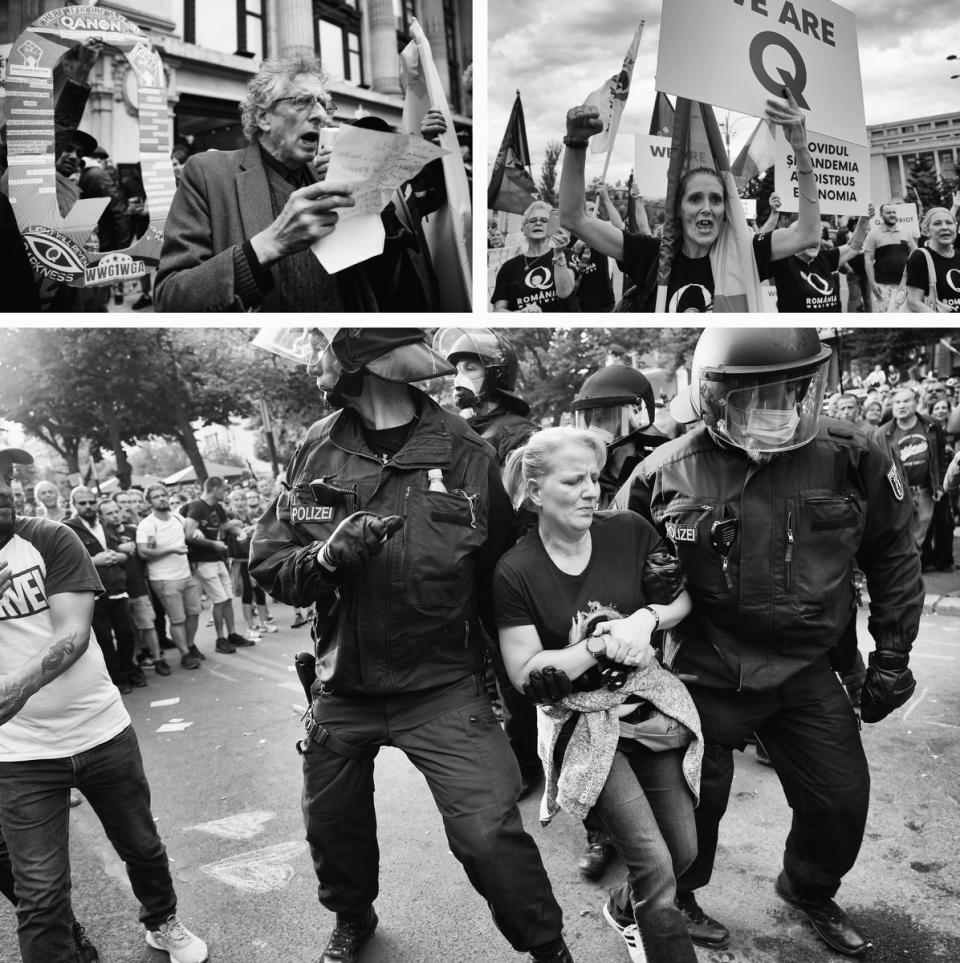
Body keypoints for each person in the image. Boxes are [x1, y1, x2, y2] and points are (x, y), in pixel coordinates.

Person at [249, 328, 577, 963]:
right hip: (343, 686)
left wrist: (541, 674)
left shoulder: (467, 454)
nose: (315, 360)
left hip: (444, 688)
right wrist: (325, 557)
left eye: (325, 346)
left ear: (365, 362)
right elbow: (270, 565)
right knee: (332, 824)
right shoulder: (316, 448)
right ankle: (352, 918)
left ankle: (548, 947)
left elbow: (504, 584)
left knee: (489, 834)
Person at [614, 328, 923, 957]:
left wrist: (892, 656)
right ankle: (669, 897)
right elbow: (609, 564)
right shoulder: (662, 470)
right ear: (713, 396)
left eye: (790, 390)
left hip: (807, 666)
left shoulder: (855, 452)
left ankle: (808, 889)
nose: (777, 407)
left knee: (839, 799)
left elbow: (893, 555)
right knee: (694, 808)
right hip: (704, 667)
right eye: (757, 395)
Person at [494, 426, 701, 963]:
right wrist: (607, 641)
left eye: (593, 477)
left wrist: (646, 618)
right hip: (583, 724)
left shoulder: (628, 530)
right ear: (536, 491)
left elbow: (680, 602)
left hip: (645, 704)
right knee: (655, 864)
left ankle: (624, 909)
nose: (591, 490)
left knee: (683, 849)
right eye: (573, 480)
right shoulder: (515, 570)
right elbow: (526, 670)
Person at [0, 446, 208, 963]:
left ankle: (162, 922)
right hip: (18, 756)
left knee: (141, 846)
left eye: (4, 475)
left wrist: (13, 692)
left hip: (101, 732)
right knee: (41, 895)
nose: (4, 487)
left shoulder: (50, 537)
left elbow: (71, 635)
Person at [155, 56, 434, 312]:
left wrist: (368, 202)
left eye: (324, 104)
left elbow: (383, 282)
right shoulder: (209, 173)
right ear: (264, 117)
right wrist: (269, 244)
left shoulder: (331, 177)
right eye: (302, 101)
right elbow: (171, 297)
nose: (321, 115)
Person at [559, 90, 821, 312]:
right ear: (678, 208)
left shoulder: (747, 252)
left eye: (716, 200)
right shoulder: (652, 256)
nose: (707, 208)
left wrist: (800, 148)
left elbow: (808, 234)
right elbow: (574, 218)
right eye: (695, 199)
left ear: (725, 209)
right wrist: (576, 142)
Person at [436, 327, 541, 798]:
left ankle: (527, 763)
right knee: (483, 676)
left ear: (496, 374)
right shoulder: (456, 432)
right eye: (457, 367)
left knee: (517, 676)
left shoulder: (517, 434)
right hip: (467, 572)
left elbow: (529, 511)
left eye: (471, 366)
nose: (460, 376)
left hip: (508, 573)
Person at [64, 486, 146, 694]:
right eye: (83, 503)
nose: (88, 506)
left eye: (91, 502)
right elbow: (65, 563)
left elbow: (123, 553)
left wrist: (117, 555)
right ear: (74, 505)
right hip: (92, 594)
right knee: (105, 640)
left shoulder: (106, 524)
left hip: (118, 588)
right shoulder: (67, 528)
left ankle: (130, 669)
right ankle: (118, 676)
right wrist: (95, 561)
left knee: (127, 634)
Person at [135, 484, 205, 669]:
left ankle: (190, 645)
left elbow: (188, 533)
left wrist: (196, 533)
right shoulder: (148, 525)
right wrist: (172, 549)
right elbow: (144, 552)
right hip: (164, 579)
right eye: (157, 496)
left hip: (186, 575)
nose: (162, 498)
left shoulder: (177, 518)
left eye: (163, 495)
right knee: (177, 619)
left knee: (194, 613)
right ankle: (185, 654)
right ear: (149, 502)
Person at [183, 477, 255, 653]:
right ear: (214, 488)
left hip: (219, 559)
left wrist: (238, 529)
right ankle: (220, 639)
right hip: (203, 561)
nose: (225, 493)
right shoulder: (196, 506)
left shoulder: (216, 507)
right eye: (223, 489)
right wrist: (212, 544)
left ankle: (232, 635)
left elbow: (223, 525)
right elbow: (189, 534)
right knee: (220, 600)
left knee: (228, 598)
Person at [760, 207, 873, 312]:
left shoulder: (825, 257)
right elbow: (759, 249)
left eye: (817, 235)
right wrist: (774, 215)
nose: (814, 240)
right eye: (807, 235)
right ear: (793, 239)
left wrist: (864, 219)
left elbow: (853, 247)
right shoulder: (783, 260)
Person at [878, 387, 945, 551]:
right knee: (899, 538)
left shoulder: (931, 424)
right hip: (898, 494)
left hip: (925, 492)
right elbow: (878, 469)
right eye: (897, 402)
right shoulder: (881, 433)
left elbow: (941, 457)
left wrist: (939, 485)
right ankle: (906, 572)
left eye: (906, 401)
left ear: (916, 403)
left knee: (918, 537)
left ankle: (912, 571)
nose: (901, 406)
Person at [491, 201, 576, 311]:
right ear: (524, 229)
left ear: (551, 227)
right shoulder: (508, 267)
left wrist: (559, 253)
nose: (538, 223)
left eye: (544, 220)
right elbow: (498, 310)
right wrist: (520, 314)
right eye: (533, 220)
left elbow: (564, 293)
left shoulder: (566, 254)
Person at [863, 202, 917, 312]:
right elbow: (868, 260)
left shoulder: (906, 233)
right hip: (882, 285)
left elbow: (915, 255)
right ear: (881, 215)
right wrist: (872, 283)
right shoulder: (873, 234)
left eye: (894, 212)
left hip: (904, 284)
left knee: (904, 319)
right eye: (888, 213)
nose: (892, 215)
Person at [905, 207, 960, 312]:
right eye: (937, 224)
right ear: (927, 230)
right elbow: (914, 303)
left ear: (955, 226)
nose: (944, 227)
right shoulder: (920, 257)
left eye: (949, 223)